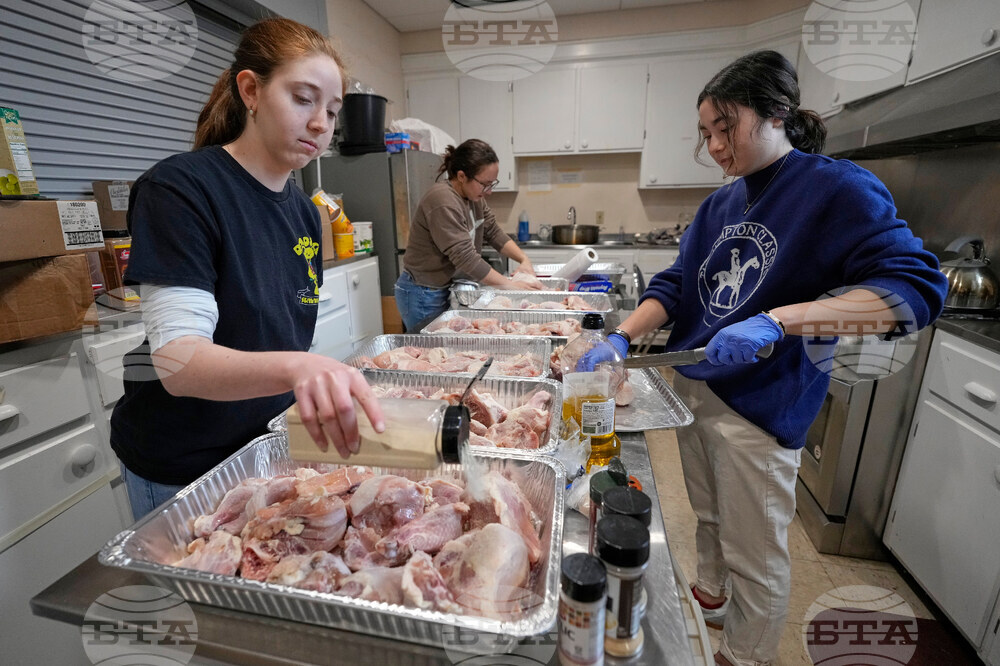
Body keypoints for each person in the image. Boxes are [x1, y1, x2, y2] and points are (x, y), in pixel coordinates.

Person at [584, 50, 947, 666]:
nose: (717, 145)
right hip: (695, 385)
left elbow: (913, 291)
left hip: (762, 403)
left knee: (757, 552)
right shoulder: (721, 205)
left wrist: (779, 321)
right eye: (707, 134)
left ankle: (745, 655)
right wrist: (623, 335)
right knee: (708, 514)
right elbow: (678, 284)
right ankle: (711, 594)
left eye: (726, 127)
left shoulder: (835, 188)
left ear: (775, 113)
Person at [110, 18, 384, 521]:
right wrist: (301, 368)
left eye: (332, 109)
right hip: (183, 461)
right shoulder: (180, 189)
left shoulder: (306, 212)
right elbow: (179, 363)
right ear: (251, 90)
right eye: (304, 99)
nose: (322, 124)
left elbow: (273, 332)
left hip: (262, 447)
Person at [395, 139, 541, 332]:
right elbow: (466, 258)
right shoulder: (443, 200)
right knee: (428, 350)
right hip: (422, 291)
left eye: (492, 184)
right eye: (485, 184)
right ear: (462, 176)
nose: (489, 191)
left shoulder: (473, 197)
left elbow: (493, 231)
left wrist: (524, 259)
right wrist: (509, 285)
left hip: (441, 287)